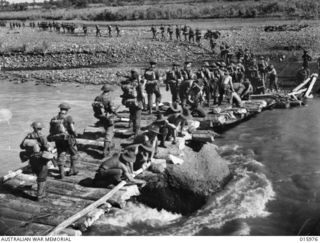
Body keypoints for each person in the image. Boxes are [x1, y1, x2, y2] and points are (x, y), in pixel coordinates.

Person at [20, 122, 53, 201]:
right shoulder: (42, 136)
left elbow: (21, 146)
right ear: (40, 128)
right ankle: (39, 196)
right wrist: (50, 147)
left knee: (39, 175)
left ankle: (42, 192)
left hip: (32, 159)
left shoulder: (28, 135)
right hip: (40, 159)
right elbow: (46, 146)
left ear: (33, 128)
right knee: (42, 177)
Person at [48, 103, 79, 179]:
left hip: (58, 139)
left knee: (61, 154)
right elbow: (72, 129)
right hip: (68, 139)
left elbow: (50, 131)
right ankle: (73, 169)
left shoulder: (54, 118)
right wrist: (76, 134)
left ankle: (61, 173)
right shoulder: (68, 118)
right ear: (67, 110)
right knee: (74, 153)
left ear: (60, 109)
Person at [92, 84, 118, 157]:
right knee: (109, 133)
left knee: (107, 131)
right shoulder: (109, 98)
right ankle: (105, 150)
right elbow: (112, 109)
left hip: (101, 117)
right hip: (108, 117)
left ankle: (110, 146)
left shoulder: (98, 97)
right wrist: (116, 112)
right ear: (109, 91)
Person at [121, 69, 144, 137]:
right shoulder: (139, 83)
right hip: (137, 102)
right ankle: (136, 133)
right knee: (138, 118)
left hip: (129, 102)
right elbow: (142, 94)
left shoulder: (128, 83)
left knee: (133, 116)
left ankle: (133, 130)